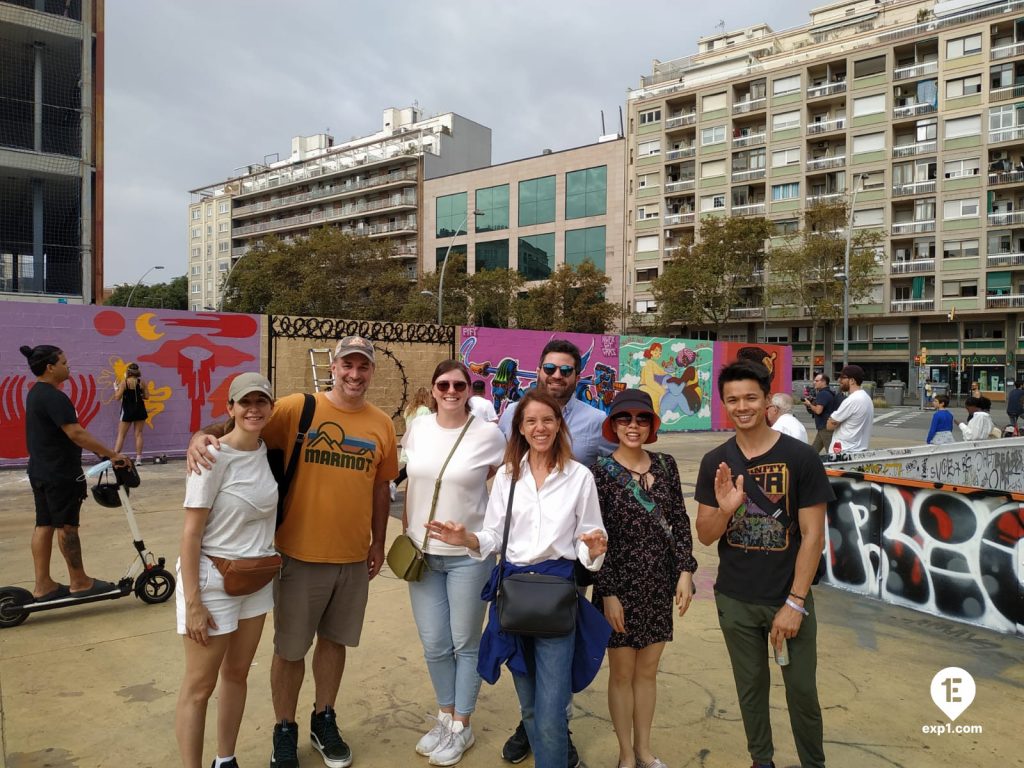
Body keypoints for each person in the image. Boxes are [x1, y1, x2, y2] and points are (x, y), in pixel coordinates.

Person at [187, 335, 398, 768]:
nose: (354, 374)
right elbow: (242, 421)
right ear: (333, 368)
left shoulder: (382, 425)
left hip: (352, 558)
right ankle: (284, 728)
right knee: (290, 650)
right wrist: (200, 436)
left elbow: (381, 488)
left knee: (335, 643)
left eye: (363, 366)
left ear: (372, 372)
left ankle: (324, 718)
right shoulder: (297, 408)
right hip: (298, 556)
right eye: (347, 365)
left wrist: (377, 542)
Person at [426, 389, 610, 768]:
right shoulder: (509, 476)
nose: (540, 428)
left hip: (557, 598)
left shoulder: (579, 477)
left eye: (547, 420)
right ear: (521, 428)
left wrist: (593, 549)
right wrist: (469, 539)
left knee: (552, 711)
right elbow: (495, 535)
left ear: (559, 425)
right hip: (513, 597)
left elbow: (589, 538)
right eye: (531, 421)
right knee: (529, 708)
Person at [695, 361, 834, 768]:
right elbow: (705, 534)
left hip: (787, 598)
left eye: (751, 398)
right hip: (735, 599)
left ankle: (813, 763)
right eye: (733, 400)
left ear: (767, 400)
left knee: (802, 692)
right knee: (750, 689)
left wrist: (795, 602)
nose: (742, 407)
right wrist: (725, 509)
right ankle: (762, 760)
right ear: (724, 404)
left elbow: (813, 536)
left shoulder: (800, 458)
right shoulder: (716, 461)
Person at [496, 339, 615, 766]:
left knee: (551, 698)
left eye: (566, 370)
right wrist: (468, 538)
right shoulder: (510, 458)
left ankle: (555, 738)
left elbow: (617, 469)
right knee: (531, 698)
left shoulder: (592, 433)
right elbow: (496, 525)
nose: (557, 376)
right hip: (515, 583)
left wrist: (597, 547)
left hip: (562, 579)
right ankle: (537, 731)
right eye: (550, 368)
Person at [401, 361, 506, 766]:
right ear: (433, 389)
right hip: (423, 554)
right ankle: (445, 716)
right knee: (434, 643)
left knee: (465, 643)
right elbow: (413, 480)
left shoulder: (488, 434)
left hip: (467, 556)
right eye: (443, 385)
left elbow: (503, 477)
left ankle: (462, 723)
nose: (450, 391)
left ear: (469, 390)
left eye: (458, 385)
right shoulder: (419, 428)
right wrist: (409, 525)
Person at [175, 372, 278, 768]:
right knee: (199, 687)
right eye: (244, 402)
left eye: (261, 401)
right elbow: (190, 534)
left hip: (255, 580)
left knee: (237, 674)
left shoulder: (267, 450)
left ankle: (226, 759)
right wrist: (193, 603)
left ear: (271, 407)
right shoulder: (211, 457)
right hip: (212, 582)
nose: (253, 409)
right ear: (230, 408)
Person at [591, 390, 697, 768]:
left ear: (651, 425)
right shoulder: (600, 473)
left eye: (641, 419)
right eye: (624, 418)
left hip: (658, 585)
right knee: (622, 674)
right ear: (613, 425)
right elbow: (596, 535)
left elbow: (680, 522)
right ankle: (625, 753)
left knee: (648, 672)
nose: (633, 426)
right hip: (618, 587)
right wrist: (607, 592)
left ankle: (644, 750)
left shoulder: (667, 466)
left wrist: (685, 570)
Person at [20, 344, 128, 603]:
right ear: (50, 367)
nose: (68, 367)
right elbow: (76, 433)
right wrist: (111, 454)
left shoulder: (36, 393)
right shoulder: (54, 397)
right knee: (67, 526)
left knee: (44, 524)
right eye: (64, 362)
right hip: (60, 473)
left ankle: (43, 584)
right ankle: (79, 581)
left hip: (40, 470)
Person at [393, 387, 434, 498]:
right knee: (415, 469)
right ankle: (396, 485)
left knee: (410, 468)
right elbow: (427, 427)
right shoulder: (425, 410)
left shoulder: (409, 409)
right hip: (419, 444)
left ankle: (396, 485)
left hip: (409, 441)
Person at [826, 365, 874, 454]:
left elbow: (829, 426)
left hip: (843, 452)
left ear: (852, 380)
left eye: (842, 377)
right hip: (858, 451)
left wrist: (833, 420)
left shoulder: (852, 400)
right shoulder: (867, 398)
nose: (839, 380)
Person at [114, 362, 149, 464]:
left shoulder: (124, 383)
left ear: (128, 372)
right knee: (139, 434)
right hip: (140, 410)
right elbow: (147, 396)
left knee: (121, 435)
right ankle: (138, 459)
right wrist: (139, 395)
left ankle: (115, 458)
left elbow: (117, 397)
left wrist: (116, 388)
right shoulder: (141, 382)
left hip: (127, 411)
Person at [802, 375, 837, 454]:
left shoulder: (823, 394)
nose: (814, 382)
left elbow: (818, 411)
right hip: (824, 427)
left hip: (825, 428)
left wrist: (809, 404)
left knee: (831, 453)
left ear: (824, 382)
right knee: (813, 451)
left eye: (817, 381)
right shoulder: (829, 392)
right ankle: (808, 461)